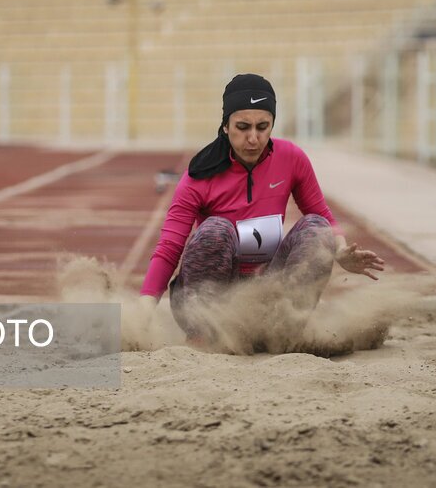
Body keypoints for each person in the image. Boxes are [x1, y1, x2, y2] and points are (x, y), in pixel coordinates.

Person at [137, 73, 385, 348]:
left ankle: (286, 329)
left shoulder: (292, 158)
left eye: (262, 127)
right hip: (210, 301)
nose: (253, 138)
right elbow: (169, 248)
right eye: (242, 127)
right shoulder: (199, 175)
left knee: (316, 228)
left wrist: (340, 251)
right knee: (215, 230)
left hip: (266, 293)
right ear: (225, 126)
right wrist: (143, 312)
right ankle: (204, 335)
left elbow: (321, 213)